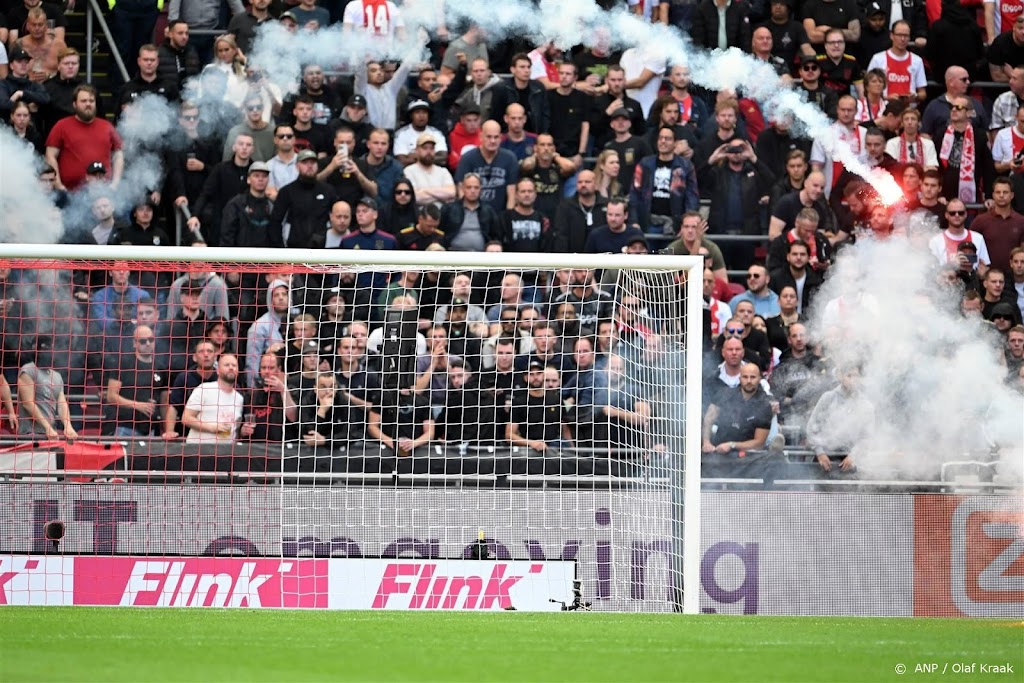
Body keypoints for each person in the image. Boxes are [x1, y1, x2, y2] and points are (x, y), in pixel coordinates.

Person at [44, 85, 120, 191]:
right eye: (83, 101)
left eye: (91, 101)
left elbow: (118, 154)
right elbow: (50, 155)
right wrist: (58, 184)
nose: (88, 104)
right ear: (75, 104)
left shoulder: (107, 127)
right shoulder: (61, 126)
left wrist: (115, 184)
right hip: (70, 193)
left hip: (102, 193)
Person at [629, 126, 700, 232]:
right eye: (660, 138)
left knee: (668, 250)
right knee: (651, 249)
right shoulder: (645, 164)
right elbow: (635, 193)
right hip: (648, 223)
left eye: (668, 138)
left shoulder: (686, 166)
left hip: (674, 225)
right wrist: (634, 221)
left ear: (676, 142)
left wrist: (687, 224)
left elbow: (692, 197)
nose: (663, 141)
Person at [806, 363, 874, 472]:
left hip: (851, 461)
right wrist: (820, 453)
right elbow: (812, 428)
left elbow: (866, 437)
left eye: (856, 376)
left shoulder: (866, 405)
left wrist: (854, 456)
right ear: (840, 376)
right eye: (849, 376)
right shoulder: (828, 398)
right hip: (825, 458)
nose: (853, 380)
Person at [103, 324, 169, 437]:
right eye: (143, 341)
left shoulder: (161, 368)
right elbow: (111, 396)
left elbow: (164, 403)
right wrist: (138, 405)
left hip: (150, 426)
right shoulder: (122, 363)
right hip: (124, 424)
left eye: (151, 339)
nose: (148, 343)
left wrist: (167, 430)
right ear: (134, 343)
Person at [269, 149, 339, 249]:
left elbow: (338, 217)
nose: (309, 166)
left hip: (323, 250)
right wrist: (281, 250)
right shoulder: (287, 191)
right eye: (305, 162)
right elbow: (275, 221)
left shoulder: (328, 190)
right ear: (297, 166)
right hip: (295, 249)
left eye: (313, 162)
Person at [701, 362, 772, 454]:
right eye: (745, 377)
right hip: (718, 451)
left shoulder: (765, 405)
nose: (749, 381)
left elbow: (759, 443)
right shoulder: (724, 394)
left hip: (749, 456)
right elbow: (708, 419)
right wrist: (706, 442)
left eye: (753, 377)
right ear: (739, 378)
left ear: (759, 379)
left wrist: (731, 445)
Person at [17, 335, 77, 440]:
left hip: (51, 434)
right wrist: (47, 427)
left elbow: (62, 404)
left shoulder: (56, 376)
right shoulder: (28, 370)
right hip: (31, 433)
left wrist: (68, 426)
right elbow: (28, 404)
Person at [455, 120, 519, 214]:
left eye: (496, 137)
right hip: (474, 214)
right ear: (481, 137)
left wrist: (507, 218)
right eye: (489, 137)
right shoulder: (468, 158)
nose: (492, 141)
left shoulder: (510, 158)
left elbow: (512, 194)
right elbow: (461, 190)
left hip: (500, 215)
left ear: (501, 138)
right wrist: (468, 214)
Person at [507, 362, 573, 452]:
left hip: (554, 451)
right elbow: (509, 435)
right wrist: (532, 443)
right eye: (531, 374)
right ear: (526, 378)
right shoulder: (518, 402)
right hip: (528, 452)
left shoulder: (556, 400)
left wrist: (573, 450)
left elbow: (565, 429)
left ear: (543, 375)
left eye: (539, 373)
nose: (535, 377)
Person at [866, 21, 926, 104]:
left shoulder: (917, 60)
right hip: (884, 109)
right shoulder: (878, 59)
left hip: (908, 112)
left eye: (906, 36)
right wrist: (886, 98)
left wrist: (915, 96)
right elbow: (868, 88)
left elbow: (923, 93)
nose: (902, 39)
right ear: (891, 36)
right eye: (899, 35)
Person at [971, 177, 1024, 271]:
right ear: (993, 195)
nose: (1001, 195)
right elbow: (971, 249)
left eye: (1005, 192)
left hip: (1013, 277)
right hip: (987, 278)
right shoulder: (980, 220)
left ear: (1012, 195)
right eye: (998, 192)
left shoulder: (1021, 221)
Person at [441, 173, 501, 252]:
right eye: (469, 187)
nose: (473, 191)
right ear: (463, 188)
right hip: (453, 253)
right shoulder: (449, 209)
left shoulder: (488, 210)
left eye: (476, 187)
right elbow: (439, 232)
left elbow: (496, 236)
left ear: (481, 189)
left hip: (481, 254)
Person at [928, 199, 992, 270]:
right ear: (946, 215)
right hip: (946, 280)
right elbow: (934, 271)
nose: (957, 215)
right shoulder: (936, 241)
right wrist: (953, 264)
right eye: (952, 213)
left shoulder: (978, 238)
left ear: (966, 214)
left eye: (960, 213)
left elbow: (984, 267)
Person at [769, 239, 823, 314]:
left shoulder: (816, 280)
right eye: (794, 254)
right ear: (788, 257)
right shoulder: (775, 278)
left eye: (802, 254)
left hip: (808, 322)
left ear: (808, 258)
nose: (798, 257)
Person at [403, 134, 456, 206]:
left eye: (432, 148)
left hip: (443, 214)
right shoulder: (409, 171)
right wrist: (441, 196)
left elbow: (452, 193)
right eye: (425, 148)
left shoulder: (443, 172)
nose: (429, 151)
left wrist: (424, 190)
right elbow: (414, 197)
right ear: (417, 150)